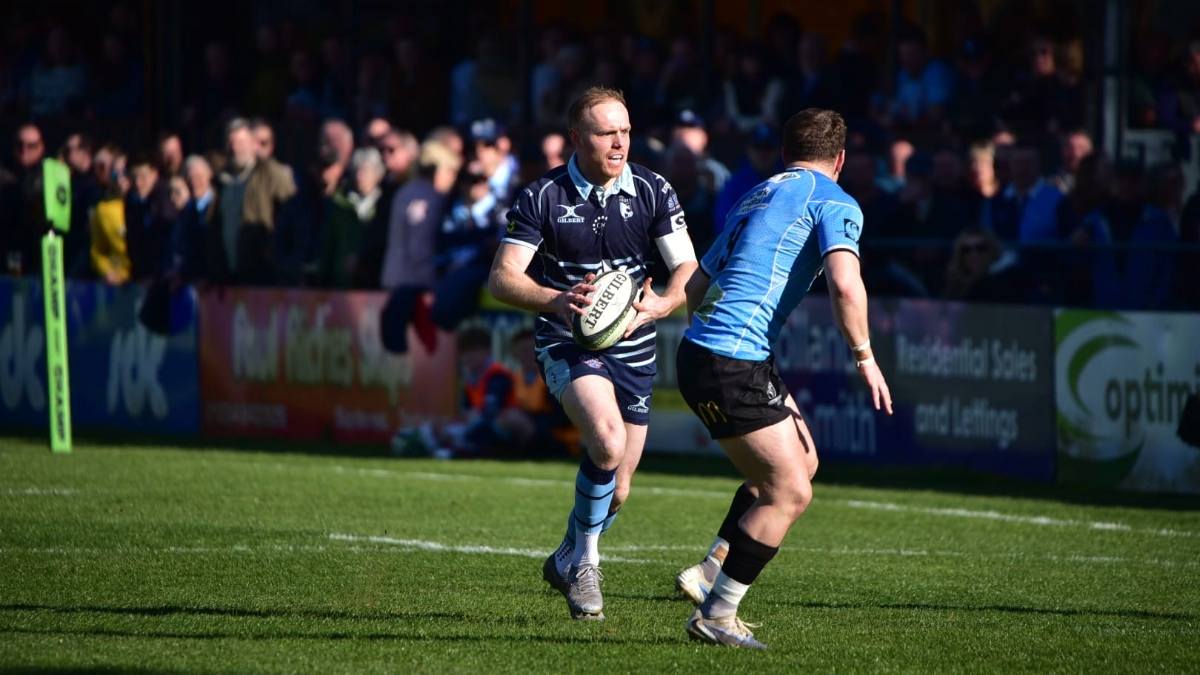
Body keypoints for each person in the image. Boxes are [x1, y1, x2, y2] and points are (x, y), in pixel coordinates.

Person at [673, 109, 892, 649]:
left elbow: (698, 285)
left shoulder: (756, 194)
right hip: (732, 359)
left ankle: (710, 570)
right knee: (790, 491)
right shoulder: (835, 200)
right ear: (840, 159)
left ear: (784, 151)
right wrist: (864, 355)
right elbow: (846, 285)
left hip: (707, 350)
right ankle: (717, 614)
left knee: (802, 462)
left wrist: (665, 314)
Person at [488, 86, 698, 621]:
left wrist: (663, 303)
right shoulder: (543, 196)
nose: (620, 142)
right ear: (577, 139)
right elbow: (502, 278)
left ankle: (565, 555)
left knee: (619, 486)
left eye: (625, 131)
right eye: (607, 133)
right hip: (567, 339)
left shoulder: (653, 190)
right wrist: (557, 300)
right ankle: (586, 566)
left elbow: (687, 270)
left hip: (636, 343)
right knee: (605, 442)